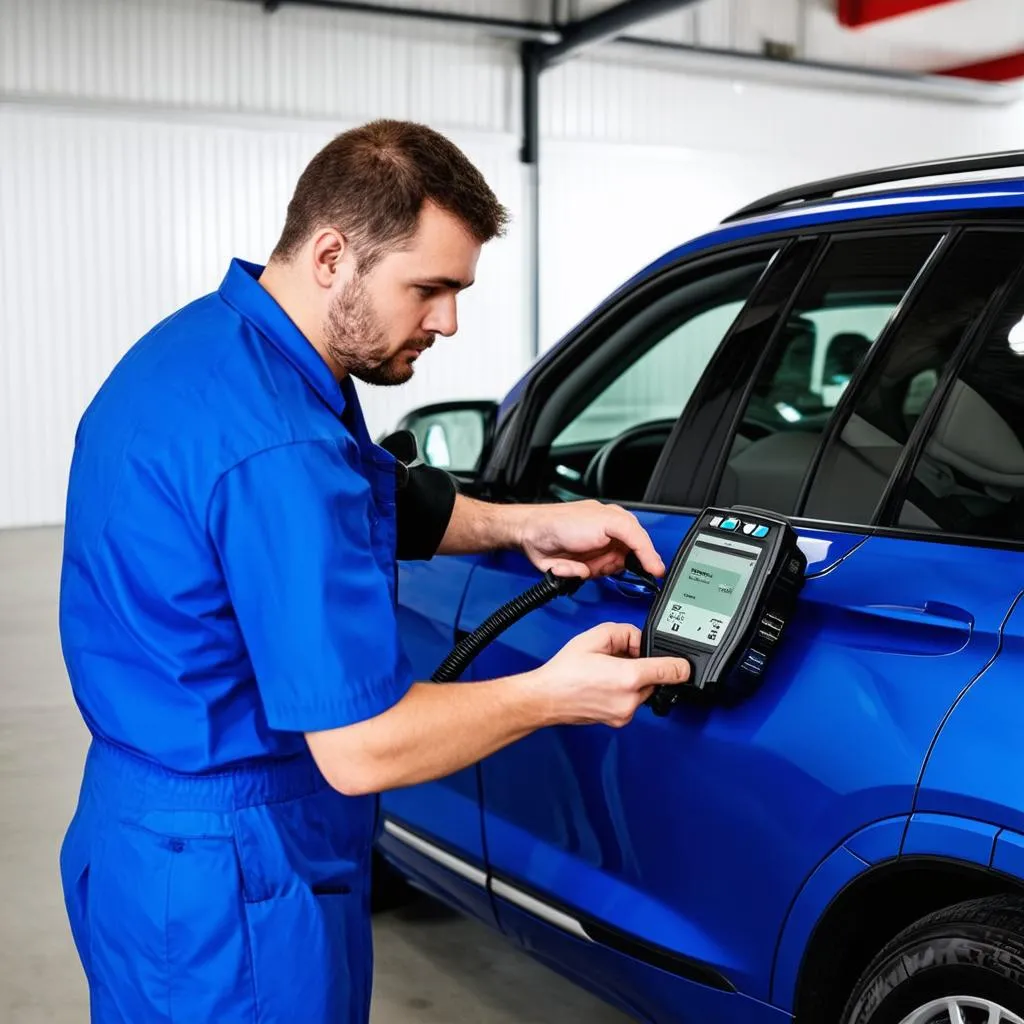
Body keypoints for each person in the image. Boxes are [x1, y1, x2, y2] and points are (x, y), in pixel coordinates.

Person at [57, 119, 690, 1023]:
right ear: (331, 256)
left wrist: (525, 526)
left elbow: (365, 496)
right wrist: (559, 693)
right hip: (235, 883)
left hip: (143, 841)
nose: (448, 321)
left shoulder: (206, 354)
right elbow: (364, 747)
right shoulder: (280, 445)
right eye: (428, 288)